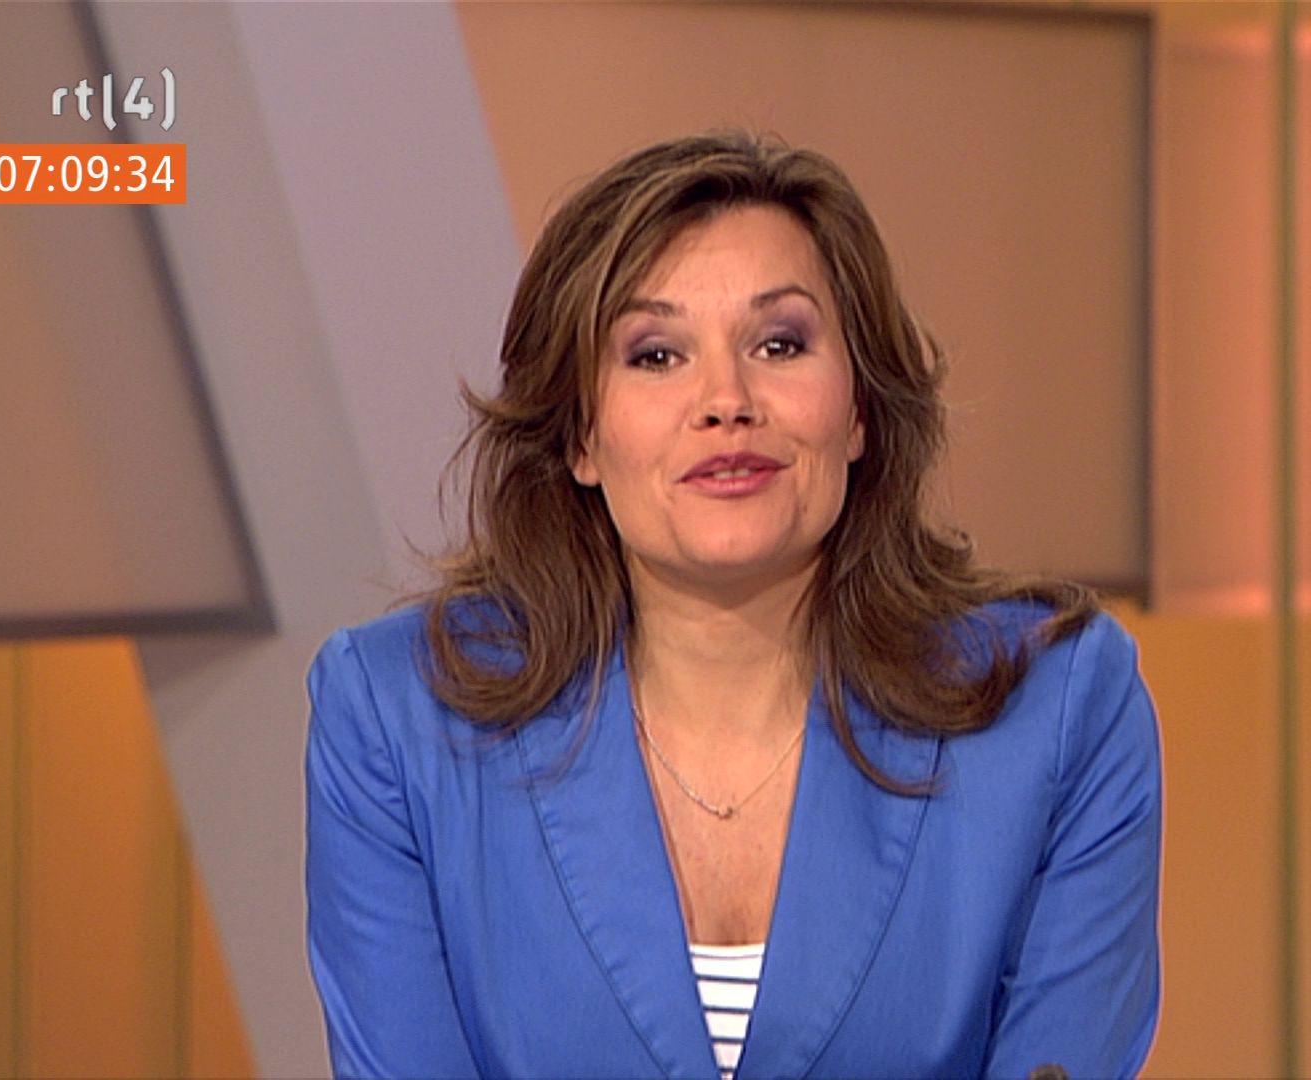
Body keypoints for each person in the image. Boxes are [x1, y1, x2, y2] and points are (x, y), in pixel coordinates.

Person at [305, 130, 1162, 1080]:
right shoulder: (397, 719)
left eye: (780, 344)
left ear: (859, 410)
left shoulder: (1057, 711)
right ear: (581, 434)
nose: (726, 400)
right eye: (656, 354)